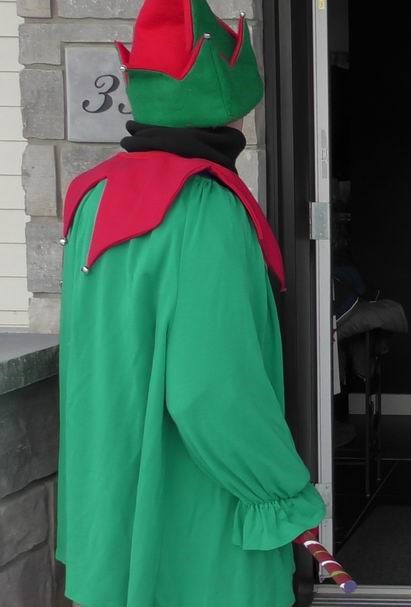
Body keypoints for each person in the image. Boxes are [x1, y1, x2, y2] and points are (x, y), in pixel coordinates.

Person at [56, 1, 325, 605]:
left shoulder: (91, 197)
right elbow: (212, 388)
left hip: (110, 502)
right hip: (197, 517)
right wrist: (281, 494)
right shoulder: (204, 208)